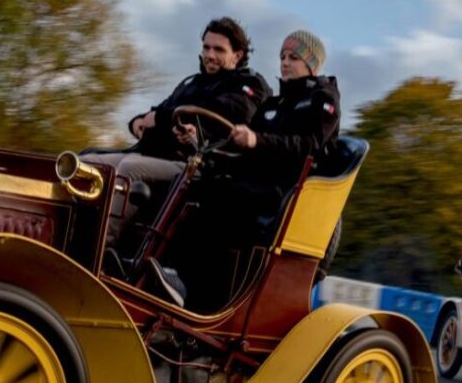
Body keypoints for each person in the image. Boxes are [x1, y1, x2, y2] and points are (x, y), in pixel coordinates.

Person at [155, 30, 341, 308]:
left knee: (219, 200)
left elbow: (309, 146)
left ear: (312, 65)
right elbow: (243, 146)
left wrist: (257, 140)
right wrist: (200, 141)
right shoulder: (274, 104)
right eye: (282, 56)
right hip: (257, 182)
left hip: (288, 191)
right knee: (195, 183)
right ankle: (163, 273)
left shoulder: (323, 100)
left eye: (293, 57)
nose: (284, 63)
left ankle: (192, 292)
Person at [85, 17, 271, 250]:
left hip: (201, 166)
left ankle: (101, 249)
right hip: (157, 154)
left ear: (238, 55)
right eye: (206, 47)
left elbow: (218, 113)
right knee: (87, 163)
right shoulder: (192, 83)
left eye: (219, 50)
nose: (210, 55)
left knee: (129, 169)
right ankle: (70, 236)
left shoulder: (249, 85)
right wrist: (138, 122)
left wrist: (168, 120)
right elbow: (159, 110)